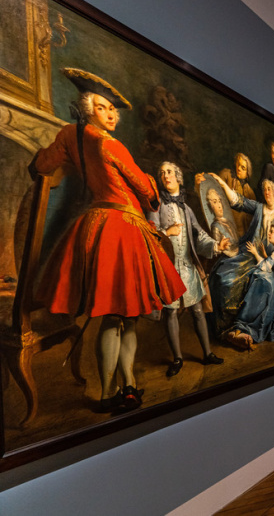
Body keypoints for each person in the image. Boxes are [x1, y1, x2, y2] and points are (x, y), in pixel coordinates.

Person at [29, 68, 186, 412]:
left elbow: (42, 164)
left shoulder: (69, 134)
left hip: (95, 224)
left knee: (122, 315)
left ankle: (125, 385)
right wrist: (148, 182)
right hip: (121, 227)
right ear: (87, 109)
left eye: (113, 109)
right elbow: (147, 191)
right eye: (104, 107)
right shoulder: (109, 143)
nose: (112, 114)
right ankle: (108, 392)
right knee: (119, 315)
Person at [149, 162, 229, 377]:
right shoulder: (155, 206)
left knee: (197, 311)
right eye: (162, 172)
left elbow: (199, 234)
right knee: (172, 312)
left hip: (187, 266)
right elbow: (150, 235)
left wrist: (215, 245)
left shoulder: (187, 208)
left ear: (178, 177)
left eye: (170, 172)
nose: (166, 175)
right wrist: (167, 232)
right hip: (169, 269)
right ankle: (177, 358)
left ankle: (207, 353)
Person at [207, 174, 274, 339]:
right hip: (247, 253)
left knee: (261, 282)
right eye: (265, 190)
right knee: (223, 276)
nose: (267, 192)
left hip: (266, 260)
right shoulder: (258, 208)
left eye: (270, 189)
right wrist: (222, 183)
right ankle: (224, 328)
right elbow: (238, 201)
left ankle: (244, 328)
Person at [218, 152, 256, 236]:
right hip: (225, 226)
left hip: (242, 233)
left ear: (247, 174)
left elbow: (253, 213)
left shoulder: (249, 191)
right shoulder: (226, 174)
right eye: (238, 165)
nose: (239, 169)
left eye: (243, 168)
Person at [206, 188, 239, 257]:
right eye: (215, 202)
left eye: (219, 201)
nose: (219, 206)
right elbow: (221, 251)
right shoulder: (215, 227)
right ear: (211, 207)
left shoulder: (228, 222)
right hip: (229, 258)